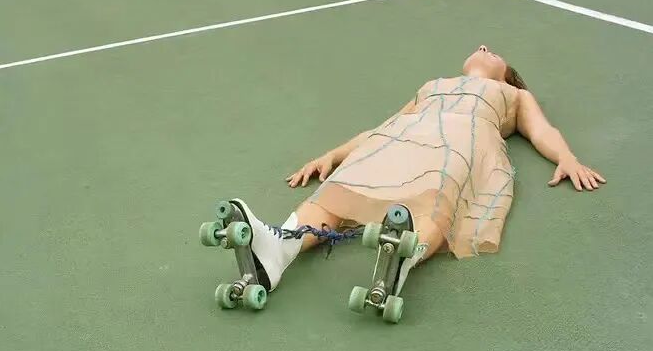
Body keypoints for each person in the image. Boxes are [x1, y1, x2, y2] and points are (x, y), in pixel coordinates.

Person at [226, 45, 605, 293]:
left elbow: (541, 130)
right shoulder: (432, 86)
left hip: (464, 136)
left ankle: (404, 257)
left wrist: (566, 157)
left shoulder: (514, 95)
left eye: (494, 52)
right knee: (347, 182)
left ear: (507, 76)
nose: (484, 47)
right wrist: (333, 155)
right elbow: (383, 127)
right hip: (405, 134)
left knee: (440, 193)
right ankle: (280, 247)